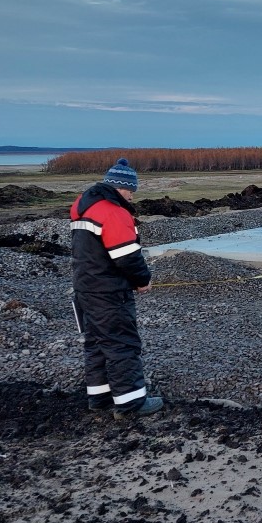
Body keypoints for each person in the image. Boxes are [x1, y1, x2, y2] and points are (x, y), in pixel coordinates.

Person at [70, 158, 163, 418]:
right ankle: (130, 403)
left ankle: (99, 397)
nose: (132, 195)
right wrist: (143, 281)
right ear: (119, 187)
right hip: (109, 293)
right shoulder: (112, 212)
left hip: (85, 288)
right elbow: (128, 257)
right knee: (122, 345)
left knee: (96, 343)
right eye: (130, 190)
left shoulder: (82, 206)